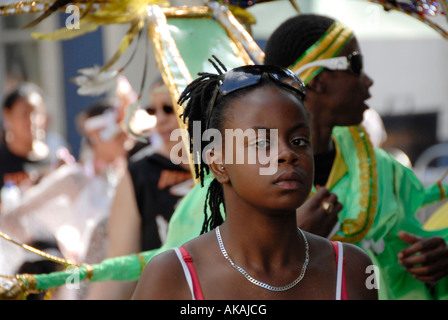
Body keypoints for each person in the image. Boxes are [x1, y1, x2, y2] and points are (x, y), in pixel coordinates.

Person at [132, 59, 377, 300]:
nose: (287, 154)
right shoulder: (173, 276)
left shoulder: (352, 268)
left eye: (299, 141)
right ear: (218, 163)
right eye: (262, 142)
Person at [263, 14, 448, 299]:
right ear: (318, 81)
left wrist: (438, 258)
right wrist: (290, 241)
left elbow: (420, 242)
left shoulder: (386, 171)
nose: (369, 81)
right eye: (356, 65)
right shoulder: (238, 180)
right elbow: (194, 279)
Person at [0, 99, 130, 299]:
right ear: (95, 136)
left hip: (117, 277)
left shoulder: (125, 180)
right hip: (79, 283)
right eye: (118, 135)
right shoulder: (74, 178)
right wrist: (49, 250)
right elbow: (10, 216)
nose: (126, 139)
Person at [87, 78, 193, 299]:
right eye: (153, 111)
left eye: (169, 108)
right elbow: (118, 268)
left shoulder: (229, 167)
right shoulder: (140, 172)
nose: (160, 120)